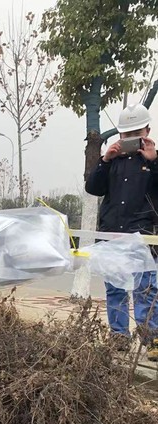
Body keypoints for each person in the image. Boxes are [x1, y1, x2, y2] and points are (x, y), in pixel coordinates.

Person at [85, 103, 158, 358]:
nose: (130, 139)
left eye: (136, 133)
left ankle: (152, 340)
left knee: (146, 289)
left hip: (142, 236)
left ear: (147, 130)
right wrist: (105, 160)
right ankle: (118, 337)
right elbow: (93, 188)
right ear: (119, 135)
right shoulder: (112, 162)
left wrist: (154, 161)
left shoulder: (153, 161)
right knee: (115, 289)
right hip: (112, 233)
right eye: (126, 134)